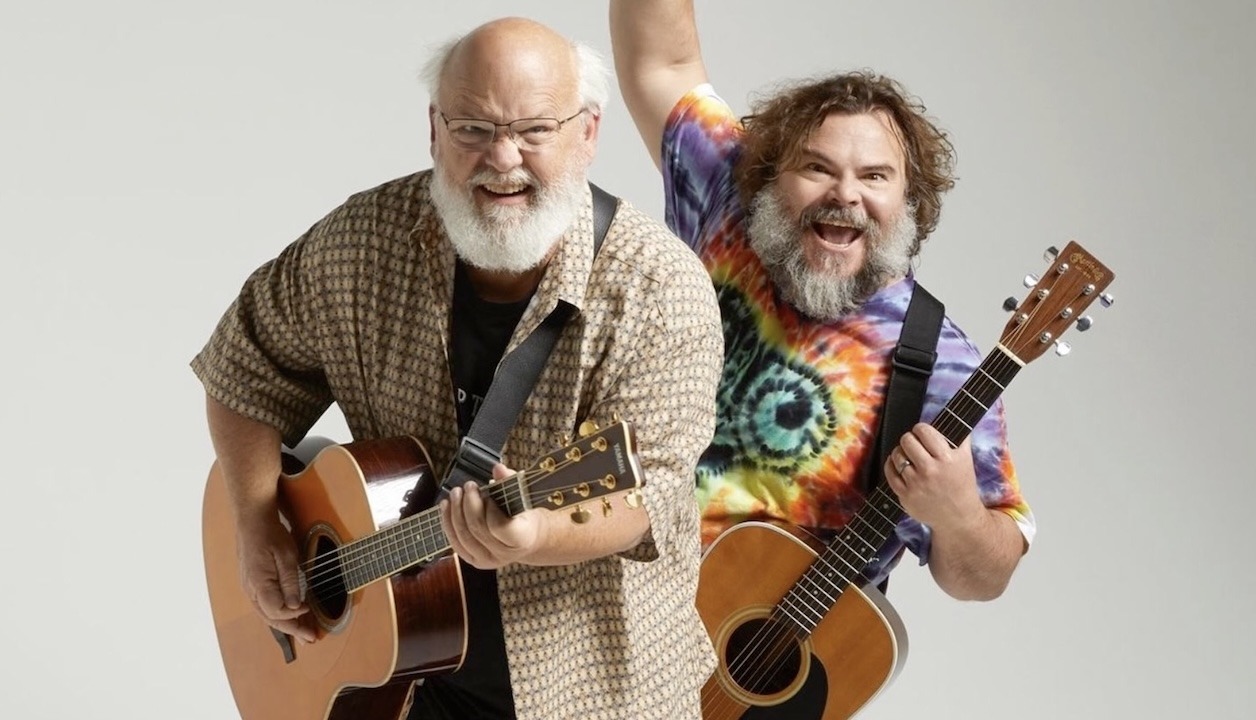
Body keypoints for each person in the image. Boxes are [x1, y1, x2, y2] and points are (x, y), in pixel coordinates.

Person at [192, 17, 722, 720]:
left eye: (535, 129)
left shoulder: (659, 290)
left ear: (588, 134)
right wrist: (258, 523)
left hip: (593, 691)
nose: (503, 159)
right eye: (473, 128)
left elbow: (642, 498)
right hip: (401, 685)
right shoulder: (364, 241)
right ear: (435, 129)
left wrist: (535, 535)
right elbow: (243, 368)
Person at [609, 0, 1034, 601]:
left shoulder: (940, 364)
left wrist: (960, 513)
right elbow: (660, 61)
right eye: (816, 167)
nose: (845, 196)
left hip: (753, 669)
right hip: (601, 606)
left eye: (876, 176)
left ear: (910, 200)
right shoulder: (733, 208)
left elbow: (983, 577)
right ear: (769, 178)